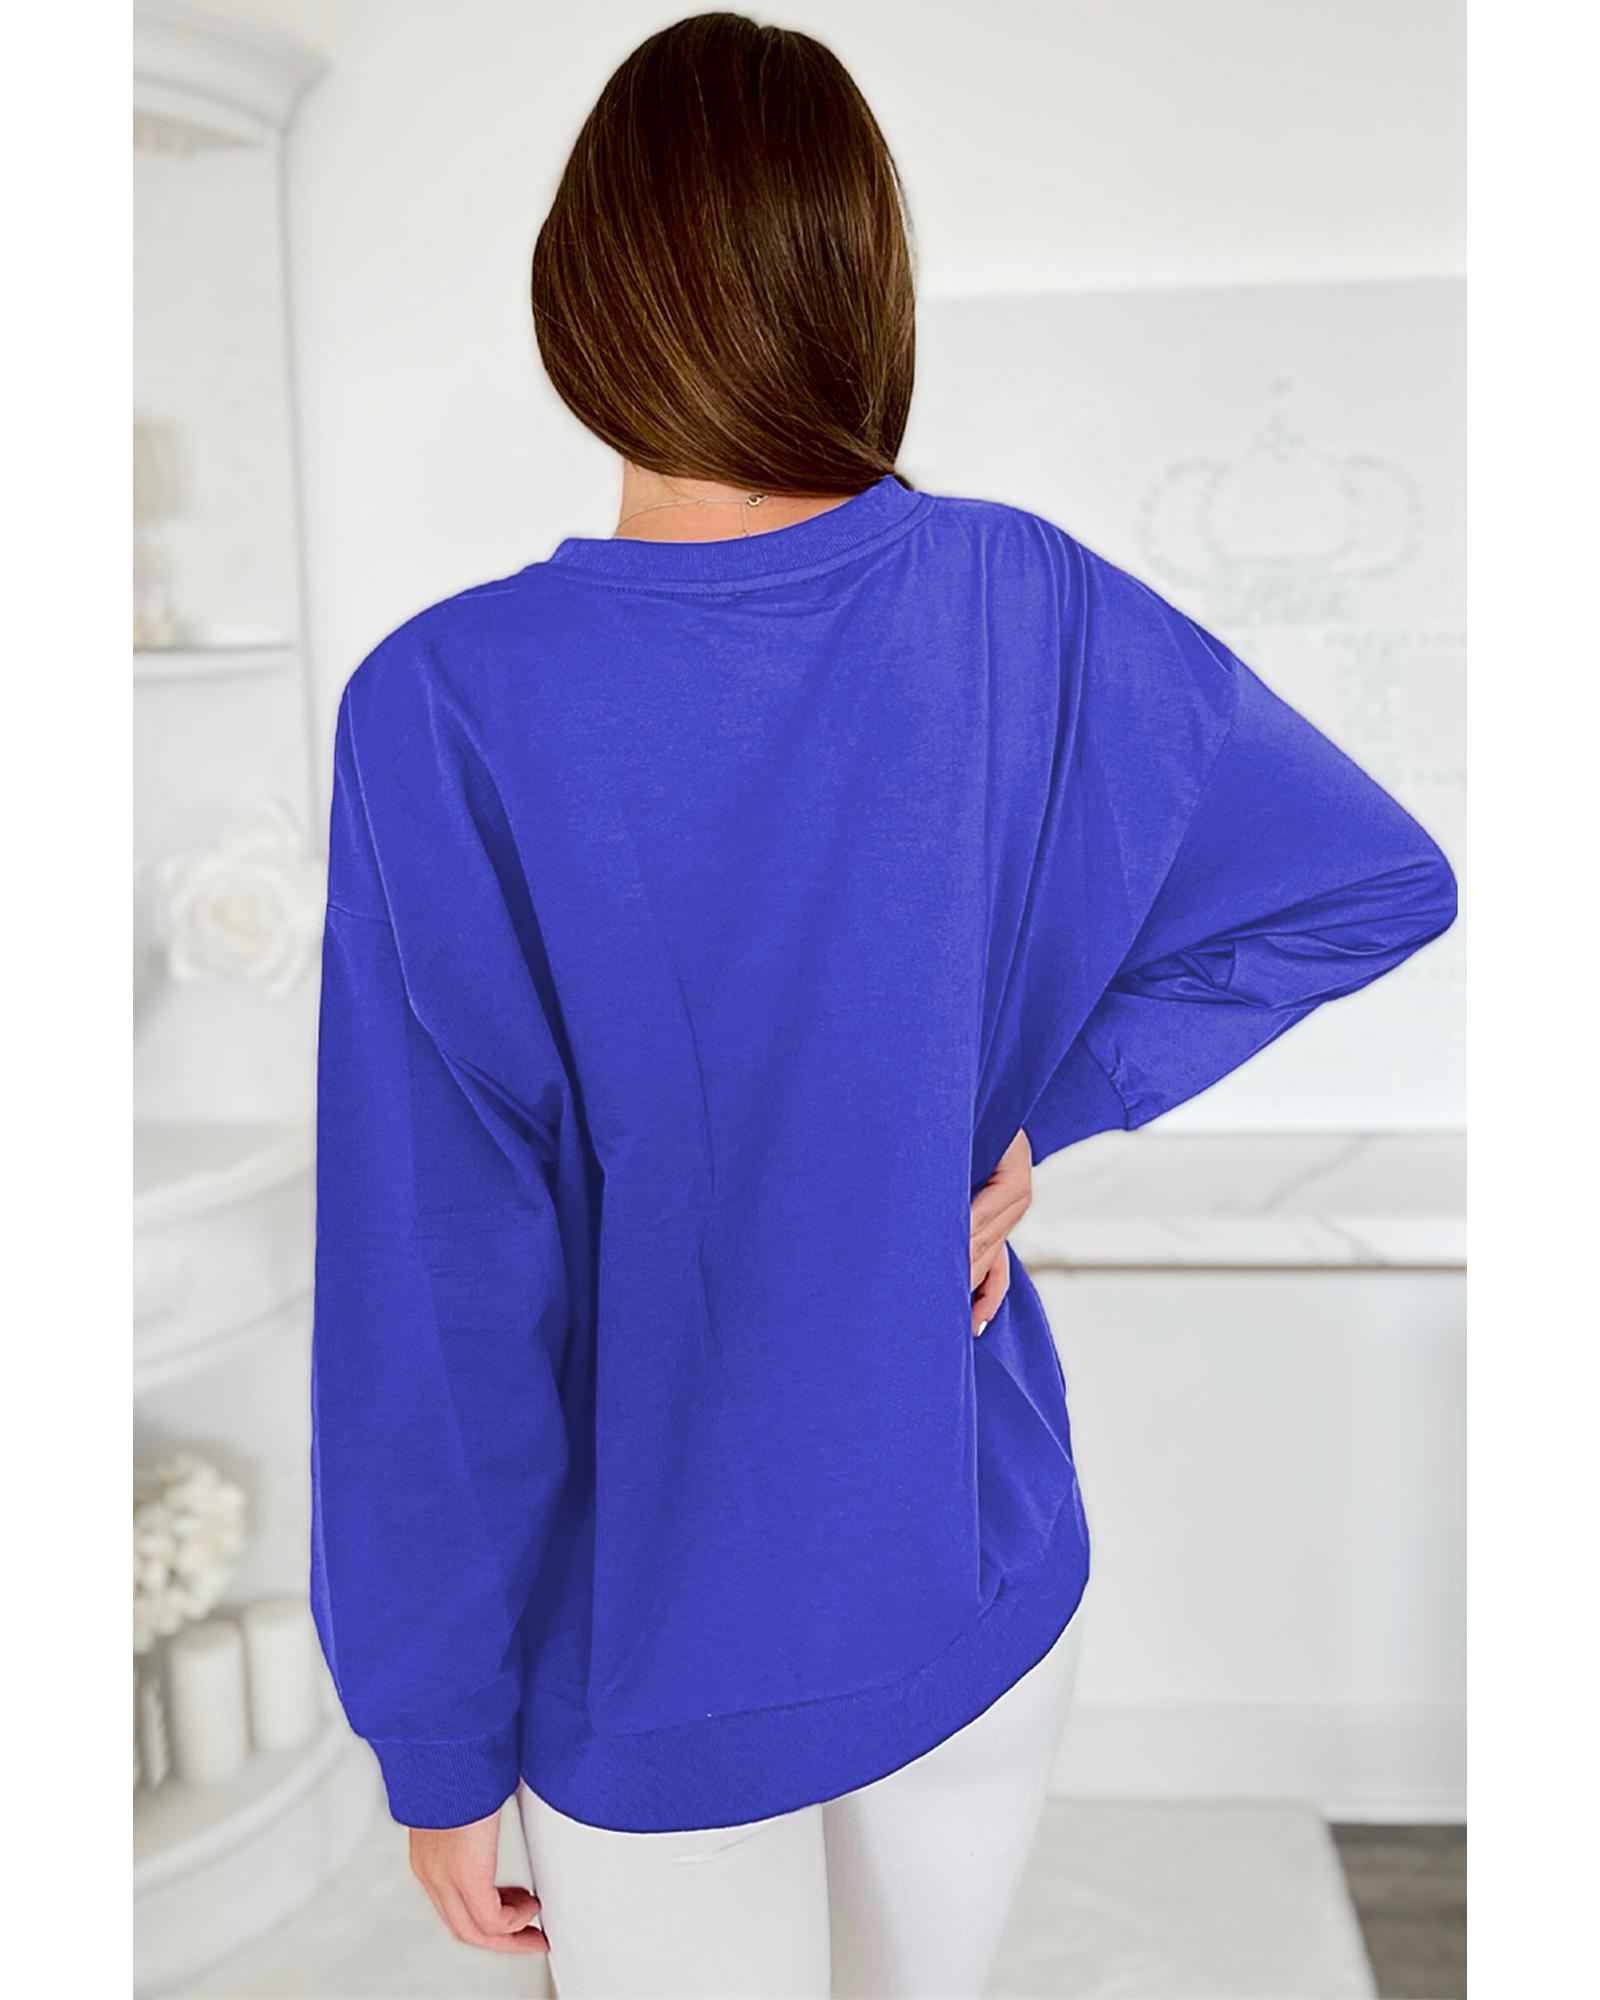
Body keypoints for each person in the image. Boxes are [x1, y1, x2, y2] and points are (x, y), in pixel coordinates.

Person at [309, 14, 1457, 1997]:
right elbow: (1367, 879)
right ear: (861, 289)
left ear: (581, 292)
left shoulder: (447, 702)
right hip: (966, 1552)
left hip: (644, 1637)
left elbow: (438, 1284)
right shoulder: (1025, 598)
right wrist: (1036, 1112)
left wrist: (435, 1737)